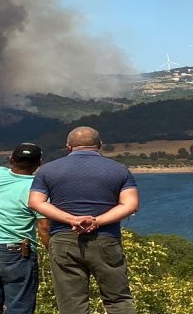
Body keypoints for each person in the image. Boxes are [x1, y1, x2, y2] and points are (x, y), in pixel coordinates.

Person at [29, 127, 140, 314]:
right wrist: (96, 221)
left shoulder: (47, 170)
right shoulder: (120, 170)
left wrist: (71, 219)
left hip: (63, 239)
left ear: (68, 146)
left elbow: (35, 202)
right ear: (100, 145)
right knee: (118, 300)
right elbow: (130, 205)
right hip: (105, 239)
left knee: (72, 304)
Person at [0, 143, 49, 314]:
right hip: (16, 254)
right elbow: (44, 227)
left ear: (11, 160)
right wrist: (55, 253)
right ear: (39, 164)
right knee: (19, 307)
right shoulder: (37, 190)